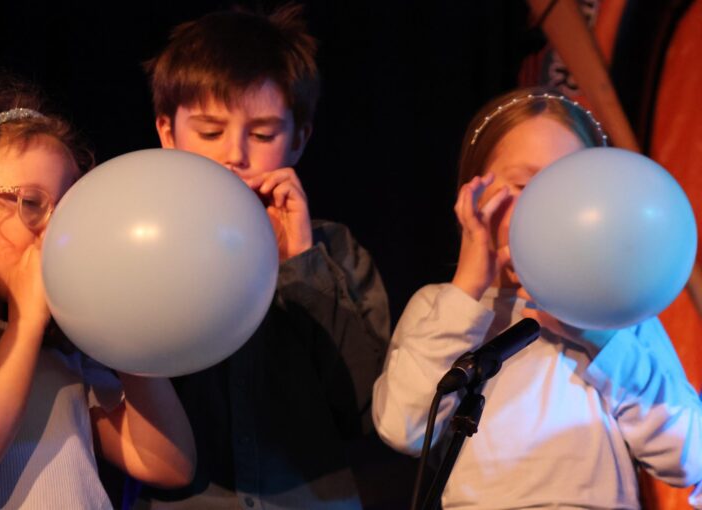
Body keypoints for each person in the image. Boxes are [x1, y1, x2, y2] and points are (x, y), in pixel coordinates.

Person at [372, 86, 702, 509]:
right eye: (526, 184)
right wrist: (468, 290)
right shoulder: (441, 306)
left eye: (571, 189)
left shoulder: (618, 312)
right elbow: (404, 427)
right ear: (474, 193)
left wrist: (600, 341)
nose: (550, 208)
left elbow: (690, 457)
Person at [136, 4, 392, 510]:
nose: (235, 154)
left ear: (298, 139)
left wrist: (301, 264)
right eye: (210, 132)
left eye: (263, 133)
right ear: (167, 133)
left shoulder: (335, 253)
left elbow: (368, 413)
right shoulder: (141, 250)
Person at [0, 71, 196, 509]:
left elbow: (168, 465)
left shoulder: (64, 355)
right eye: (32, 203)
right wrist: (26, 320)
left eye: (71, 207)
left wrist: (124, 329)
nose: (57, 229)